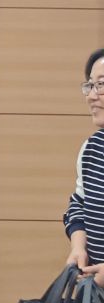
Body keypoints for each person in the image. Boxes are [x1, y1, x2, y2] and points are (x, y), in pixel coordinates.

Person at [65, 48, 104, 286]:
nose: (91, 96)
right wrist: (78, 247)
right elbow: (78, 203)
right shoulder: (92, 147)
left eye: (101, 85)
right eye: (90, 85)